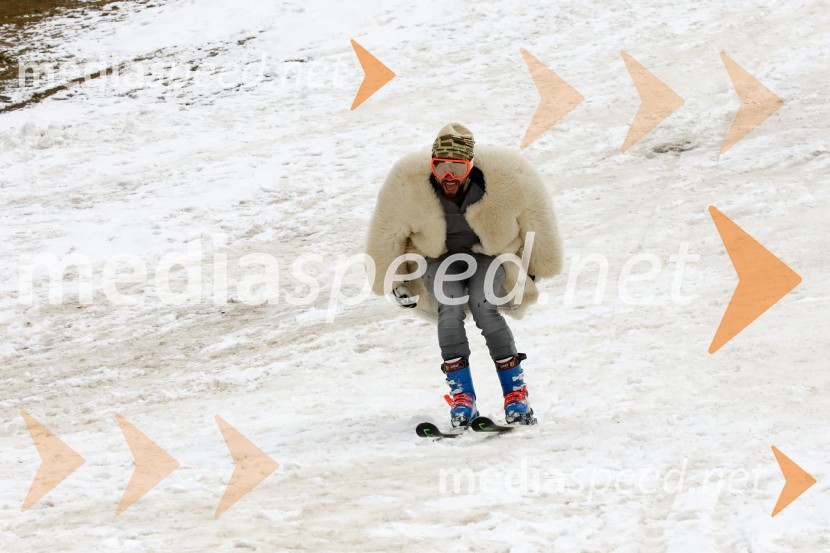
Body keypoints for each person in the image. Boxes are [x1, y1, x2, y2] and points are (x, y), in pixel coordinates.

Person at [365, 123, 563, 427]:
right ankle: (462, 398)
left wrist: (535, 267)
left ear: (470, 167)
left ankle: (515, 394)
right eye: (439, 166)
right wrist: (392, 280)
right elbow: (386, 230)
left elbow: (537, 218)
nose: (447, 176)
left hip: (486, 255)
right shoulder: (408, 182)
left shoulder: (508, 178)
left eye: (456, 168)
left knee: (485, 307)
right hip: (438, 258)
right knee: (450, 307)